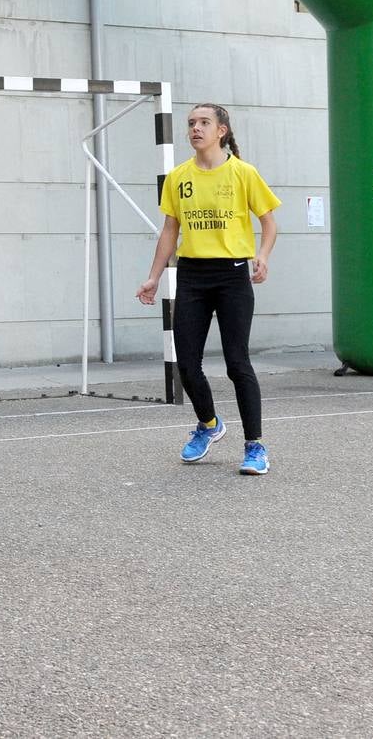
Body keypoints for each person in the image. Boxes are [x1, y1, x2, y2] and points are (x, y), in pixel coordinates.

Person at [137, 103, 279, 475]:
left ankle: (255, 447)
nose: (195, 128)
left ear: (221, 130)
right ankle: (210, 425)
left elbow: (269, 221)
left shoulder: (243, 173)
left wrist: (262, 255)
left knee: (237, 363)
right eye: (191, 123)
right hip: (192, 276)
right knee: (186, 363)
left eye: (203, 123)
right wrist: (154, 276)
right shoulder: (178, 177)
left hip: (232, 275)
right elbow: (170, 230)